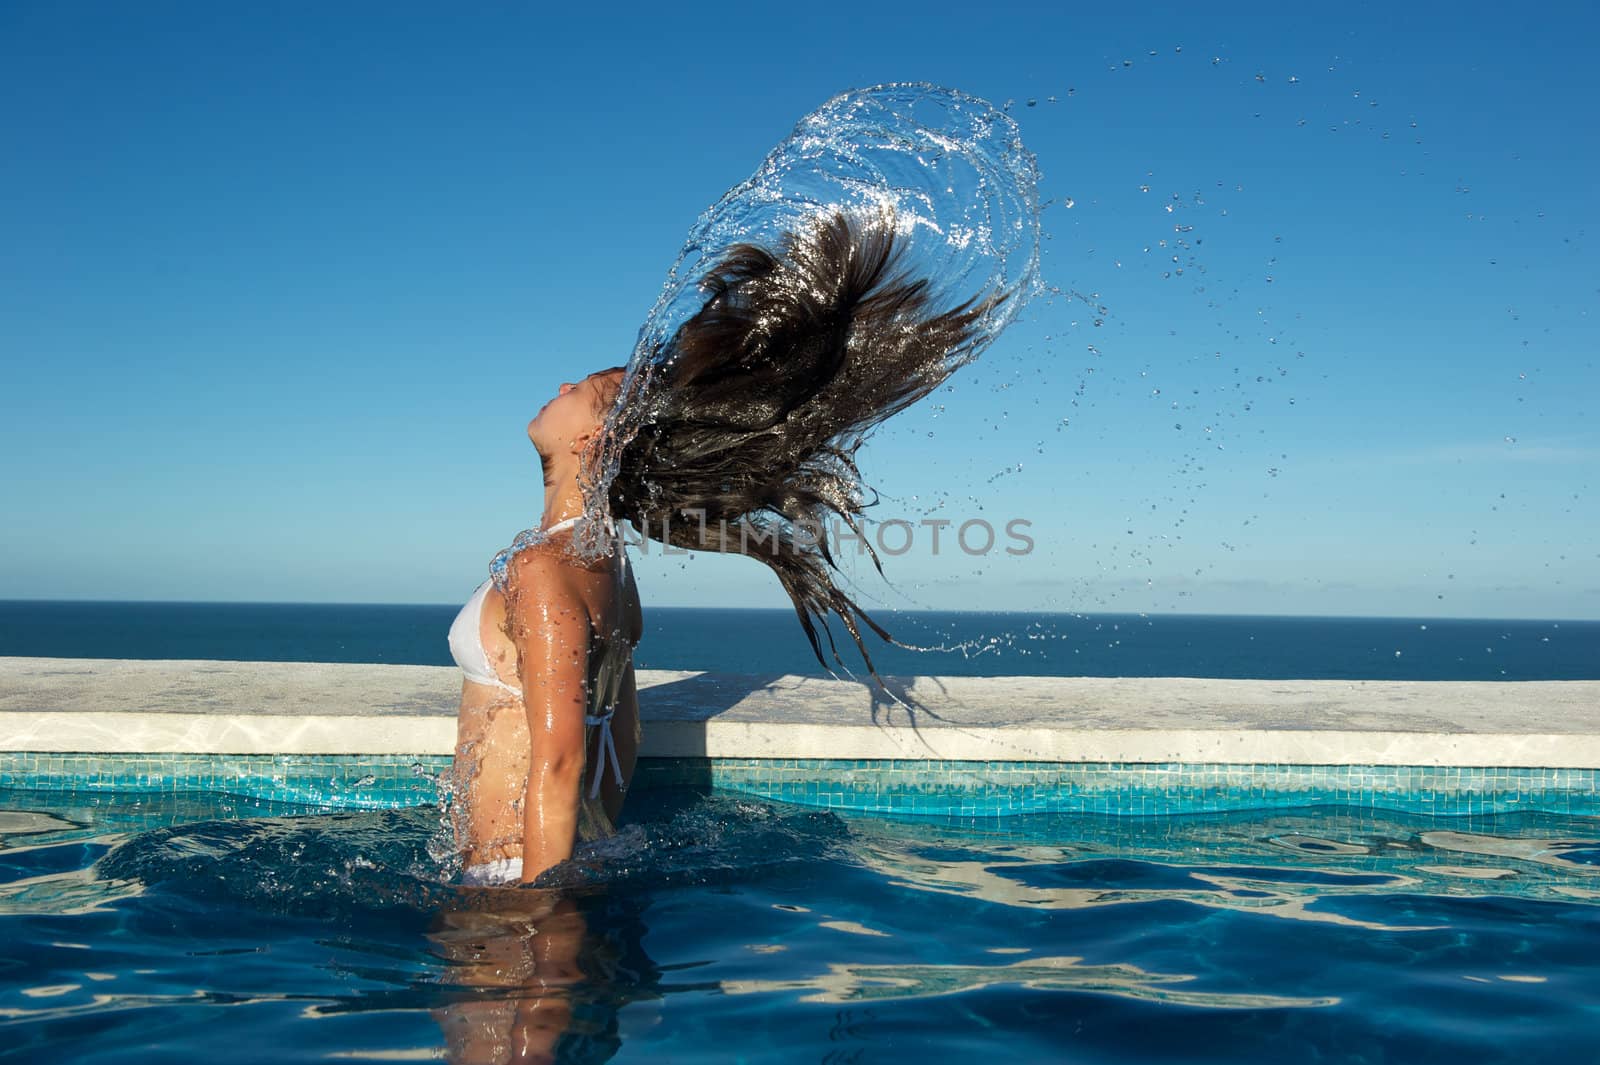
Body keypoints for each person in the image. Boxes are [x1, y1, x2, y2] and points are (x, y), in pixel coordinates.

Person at [448, 209, 997, 887]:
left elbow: (560, 764)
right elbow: (623, 741)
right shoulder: (611, 571)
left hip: (514, 891)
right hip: (577, 866)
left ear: (593, 441)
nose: (561, 387)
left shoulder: (544, 570)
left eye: (580, 390)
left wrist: (538, 942)